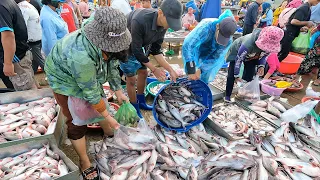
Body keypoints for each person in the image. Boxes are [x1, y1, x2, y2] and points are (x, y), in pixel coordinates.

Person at [45, 7, 130, 180]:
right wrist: (108, 115)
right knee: (76, 122)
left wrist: (118, 90)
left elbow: (112, 65)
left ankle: (109, 138)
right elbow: (91, 93)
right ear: (103, 45)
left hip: (86, 77)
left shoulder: (105, 32)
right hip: (64, 82)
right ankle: (84, 161)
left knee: (100, 108)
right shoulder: (81, 56)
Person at [120, 0, 182, 118]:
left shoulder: (163, 25)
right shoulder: (139, 20)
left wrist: (170, 69)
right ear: (160, 13)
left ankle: (141, 100)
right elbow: (136, 50)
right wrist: (154, 69)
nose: (169, 25)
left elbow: (156, 50)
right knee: (131, 78)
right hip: (126, 46)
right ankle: (134, 106)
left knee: (143, 72)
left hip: (141, 46)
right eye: (170, 21)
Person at [224, 26, 284, 102]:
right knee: (231, 75)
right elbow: (238, 60)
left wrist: (261, 66)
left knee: (250, 74)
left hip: (253, 55)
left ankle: (243, 94)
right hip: (237, 54)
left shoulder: (268, 47)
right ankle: (227, 96)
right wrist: (236, 76)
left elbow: (264, 55)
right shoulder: (248, 43)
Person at [182, 10, 237, 83]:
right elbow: (188, 45)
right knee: (190, 76)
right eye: (220, 36)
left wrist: (201, 70)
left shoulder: (228, 40)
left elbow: (216, 57)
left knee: (204, 78)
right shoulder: (206, 26)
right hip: (196, 51)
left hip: (209, 56)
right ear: (217, 26)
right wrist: (191, 68)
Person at [0, 0, 37, 91]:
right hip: (18, 54)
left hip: (15, 58)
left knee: (27, 94)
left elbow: (8, 35)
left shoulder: (1, 6)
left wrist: (8, 63)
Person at [15, 0, 45, 74]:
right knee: (34, 61)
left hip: (32, 40)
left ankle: (54, 75)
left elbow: (22, 25)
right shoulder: (28, 5)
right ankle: (33, 78)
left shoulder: (22, 8)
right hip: (38, 37)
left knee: (40, 61)